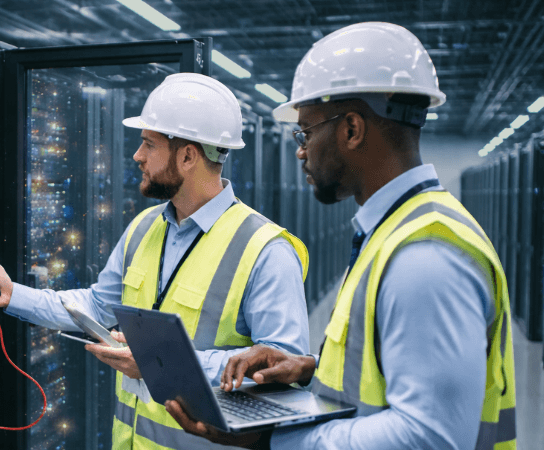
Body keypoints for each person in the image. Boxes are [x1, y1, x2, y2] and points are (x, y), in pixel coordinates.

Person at [165, 22, 516, 450]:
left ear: (351, 129)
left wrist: (275, 439)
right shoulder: (396, 232)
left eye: (307, 132)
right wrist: (309, 367)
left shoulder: (423, 256)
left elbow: (430, 437)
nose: (301, 150)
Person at [0, 73, 312, 450]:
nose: (137, 156)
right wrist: (12, 294)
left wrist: (159, 364)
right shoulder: (144, 227)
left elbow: (279, 371)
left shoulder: (265, 250)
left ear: (188, 156)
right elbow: (96, 306)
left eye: (149, 144)